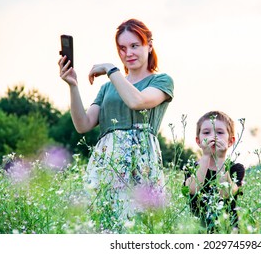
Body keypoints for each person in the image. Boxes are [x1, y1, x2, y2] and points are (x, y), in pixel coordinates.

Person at [58, 18, 174, 223]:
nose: (128, 53)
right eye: (122, 48)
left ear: (149, 46)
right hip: (107, 161)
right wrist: (73, 86)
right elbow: (82, 124)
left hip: (142, 162)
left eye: (134, 46)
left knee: (139, 222)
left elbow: (136, 101)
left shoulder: (162, 81)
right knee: (103, 221)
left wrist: (111, 69)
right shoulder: (107, 88)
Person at [184, 110, 245, 233]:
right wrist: (206, 156)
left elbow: (226, 193)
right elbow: (193, 189)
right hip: (198, 229)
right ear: (198, 141)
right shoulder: (191, 167)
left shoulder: (236, 169)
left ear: (230, 141)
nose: (213, 137)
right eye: (206, 132)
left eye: (220, 132)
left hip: (227, 228)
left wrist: (221, 158)